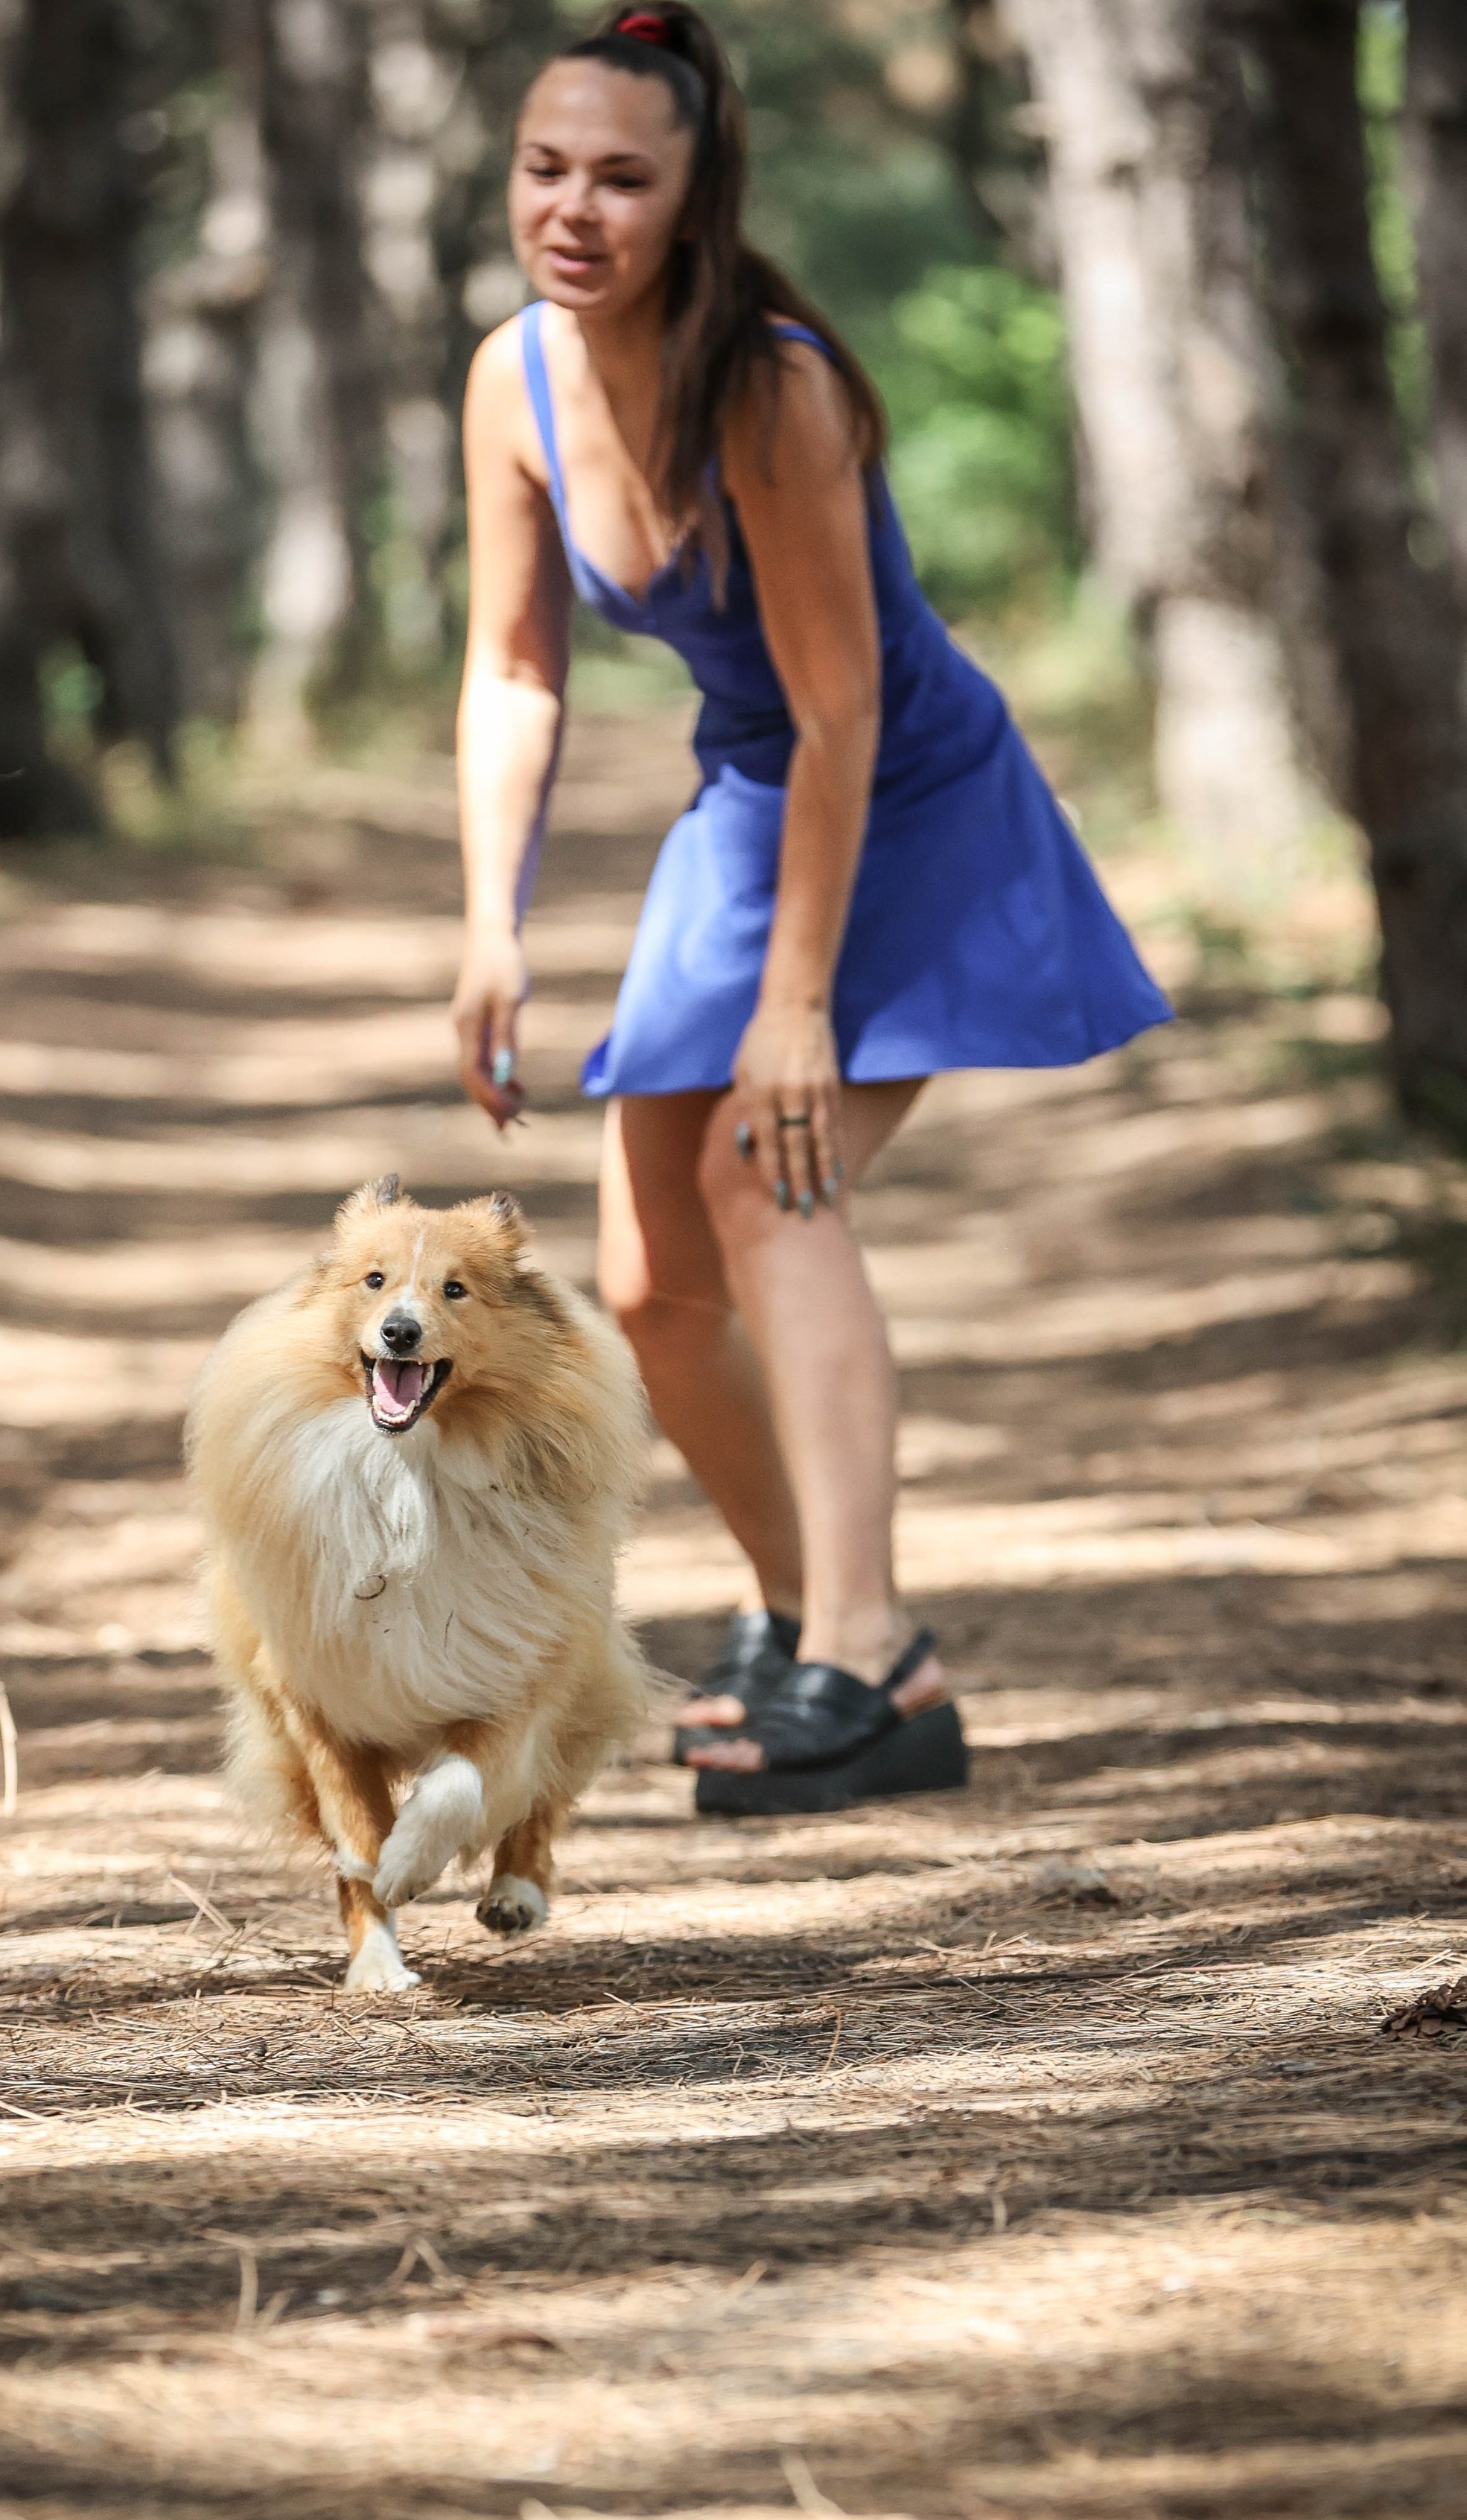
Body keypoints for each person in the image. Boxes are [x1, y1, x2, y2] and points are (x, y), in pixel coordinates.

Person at [448, 2, 1170, 1817]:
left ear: (695, 200)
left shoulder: (769, 382)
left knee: (768, 1182)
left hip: (904, 799)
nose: (574, 209)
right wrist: (491, 922)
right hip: (752, 801)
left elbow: (846, 706)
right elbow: (512, 672)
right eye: (546, 168)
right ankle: (799, 1626)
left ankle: (872, 1653)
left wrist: (792, 1006)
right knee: (642, 1284)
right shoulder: (511, 377)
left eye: (622, 177)